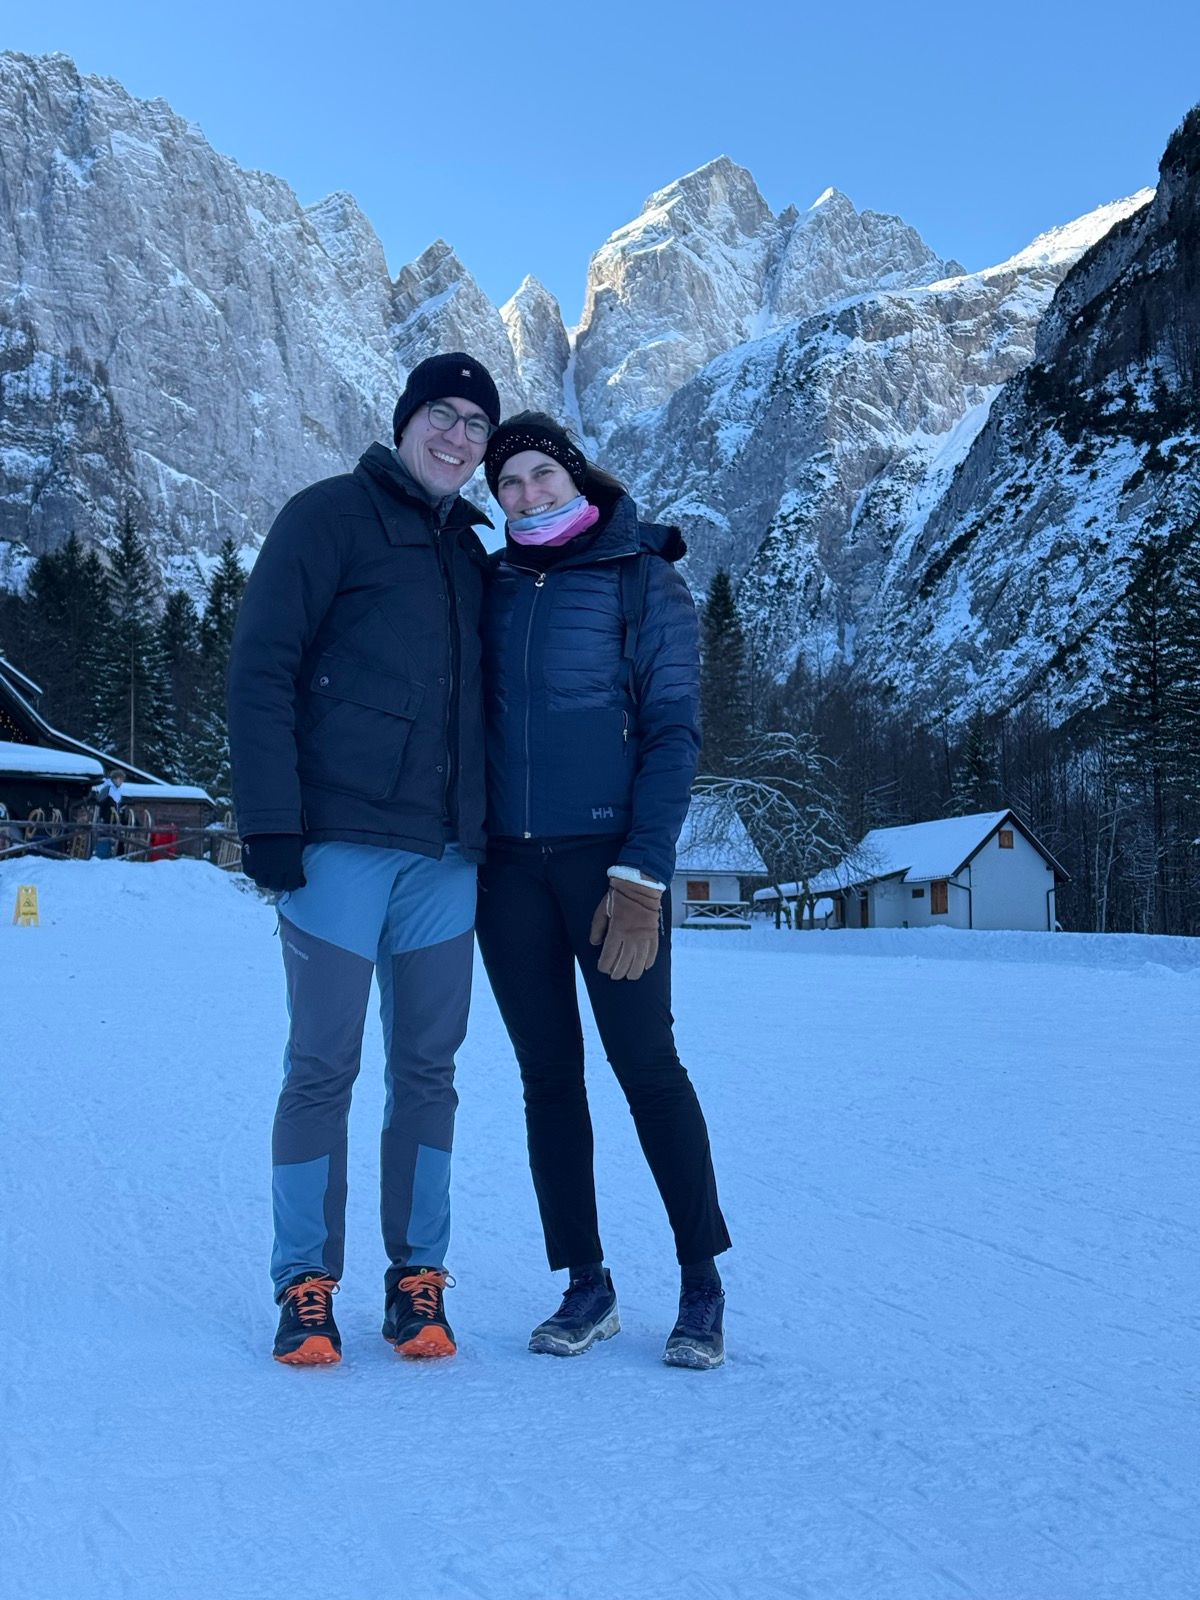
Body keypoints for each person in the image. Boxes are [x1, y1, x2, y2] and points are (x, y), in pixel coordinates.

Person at [227, 353, 501, 1366]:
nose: (458, 437)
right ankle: (305, 1282)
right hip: (340, 842)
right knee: (322, 1065)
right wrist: (271, 821)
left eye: (477, 425)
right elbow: (262, 668)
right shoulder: (327, 516)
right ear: (405, 420)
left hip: (444, 858)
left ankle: (417, 1279)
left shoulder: (474, 554)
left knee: (429, 1069)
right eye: (443, 414)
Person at [476, 413, 731, 1370]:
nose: (527, 493)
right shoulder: (492, 583)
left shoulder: (642, 577)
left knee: (647, 1067)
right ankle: (586, 1284)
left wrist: (644, 870)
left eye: (541, 474)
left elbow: (673, 732)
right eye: (508, 483)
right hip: (507, 871)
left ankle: (701, 1284)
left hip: (607, 867)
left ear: (576, 478)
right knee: (547, 1077)